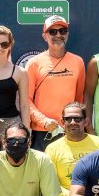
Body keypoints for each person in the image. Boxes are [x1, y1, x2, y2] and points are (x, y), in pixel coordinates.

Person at [26, 15, 86, 150]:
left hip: (70, 129)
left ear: (67, 34)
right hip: (43, 131)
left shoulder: (78, 62)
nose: (58, 35)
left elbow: (79, 99)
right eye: (52, 32)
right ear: (44, 36)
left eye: (62, 31)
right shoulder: (34, 63)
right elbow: (26, 100)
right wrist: (44, 121)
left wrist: (76, 122)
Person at [46, 102, 99, 196]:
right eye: (68, 119)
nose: (72, 122)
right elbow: (51, 184)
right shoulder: (52, 149)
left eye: (77, 119)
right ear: (62, 122)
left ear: (86, 122)